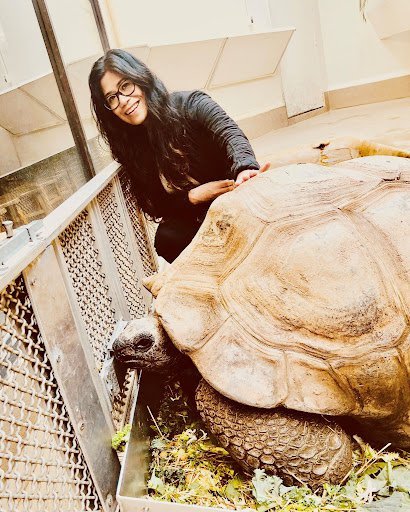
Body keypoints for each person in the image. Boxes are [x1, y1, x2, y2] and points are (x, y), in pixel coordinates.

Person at [89, 49, 268, 262]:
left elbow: (228, 132)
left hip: (233, 197)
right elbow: (156, 204)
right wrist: (194, 196)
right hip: (196, 216)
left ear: (141, 79)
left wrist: (245, 168)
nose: (124, 100)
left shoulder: (190, 103)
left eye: (125, 86)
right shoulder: (132, 147)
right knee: (167, 240)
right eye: (112, 98)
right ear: (108, 108)